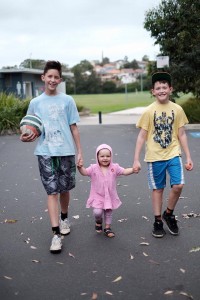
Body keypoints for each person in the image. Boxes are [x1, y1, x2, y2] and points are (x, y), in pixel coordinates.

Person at [20, 60, 83, 253]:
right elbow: (29, 127)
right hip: (45, 152)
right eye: (50, 76)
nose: (53, 80)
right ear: (43, 78)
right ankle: (55, 234)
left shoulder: (68, 101)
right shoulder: (35, 103)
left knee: (64, 190)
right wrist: (26, 137)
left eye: (56, 77)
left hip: (66, 151)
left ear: (60, 79)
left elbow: (74, 127)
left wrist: (79, 151)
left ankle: (64, 217)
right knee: (51, 192)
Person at [133, 72, 193, 238]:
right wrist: (136, 159)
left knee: (178, 185)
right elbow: (141, 136)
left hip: (173, 153)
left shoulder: (177, 109)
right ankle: (158, 220)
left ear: (170, 89)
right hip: (154, 156)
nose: (161, 90)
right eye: (158, 88)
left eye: (164, 87)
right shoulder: (149, 111)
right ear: (153, 91)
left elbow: (181, 134)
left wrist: (188, 156)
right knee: (158, 189)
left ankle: (169, 213)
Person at [77, 144, 135, 238]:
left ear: (111, 156)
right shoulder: (93, 168)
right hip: (97, 195)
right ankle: (98, 221)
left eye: (108, 156)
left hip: (109, 195)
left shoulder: (114, 167)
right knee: (97, 212)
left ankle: (107, 228)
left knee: (108, 211)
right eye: (102, 156)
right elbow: (84, 172)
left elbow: (124, 171)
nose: (105, 158)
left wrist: (133, 170)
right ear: (97, 157)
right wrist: (80, 167)